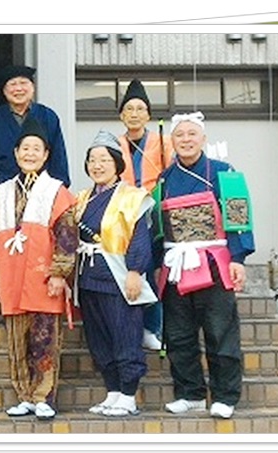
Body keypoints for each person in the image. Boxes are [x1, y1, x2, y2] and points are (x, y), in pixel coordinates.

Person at [157, 112, 255, 420]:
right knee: (178, 333)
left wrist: (238, 259)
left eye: (192, 134)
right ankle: (190, 393)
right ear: (172, 141)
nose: (186, 140)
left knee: (220, 331)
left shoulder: (225, 172)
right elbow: (157, 226)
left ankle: (225, 395)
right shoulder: (164, 179)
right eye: (180, 135)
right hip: (176, 262)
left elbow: (238, 215)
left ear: (203, 139)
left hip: (214, 262)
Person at [0, 117, 77, 421]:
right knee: (17, 341)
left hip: (43, 276)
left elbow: (67, 235)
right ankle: (24, 395)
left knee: (45, 339)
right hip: (12, 275)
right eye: (25, 148)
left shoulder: (56, 190)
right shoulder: (1, 192)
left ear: (46, 154)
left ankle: (44, 397)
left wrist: (59, 273)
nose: (30, 154)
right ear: (15, 153)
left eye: (36, 149)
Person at [74, 130, 156, 417]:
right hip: (88, 277)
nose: (97, 166)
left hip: (118, 277)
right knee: (99, 338)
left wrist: (135, 271)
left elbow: (140, 238)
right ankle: (113, 392)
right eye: (92, 160)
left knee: (125, 334)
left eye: (104, 160)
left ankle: (129, 395)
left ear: (117, 164)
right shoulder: (82, 198)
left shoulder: (132, 197)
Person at [116, 78, 174, 352]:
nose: (134, 114)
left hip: (155, 214)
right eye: (129, 109)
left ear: (148, 115)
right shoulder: (114, 144)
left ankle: (152, 327)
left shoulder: (163, 142)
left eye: (140, 109)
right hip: (125, 214)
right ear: (121, 115)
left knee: (152, 271)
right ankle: (130, 327)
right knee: (126, 270)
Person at [0, 65, 70, 224]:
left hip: (43, 193)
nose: (18, 89)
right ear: (4, 91)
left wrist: (61, 191)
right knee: (5, 235)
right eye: (12, 84)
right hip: (3, 193)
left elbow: (59, 157)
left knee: (40, 235)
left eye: (23, 83)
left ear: (33, 88)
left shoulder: (48, 116)